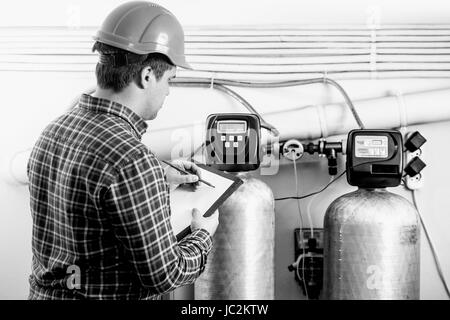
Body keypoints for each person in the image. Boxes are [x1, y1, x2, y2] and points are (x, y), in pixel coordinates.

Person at [27, 1, 219, 300]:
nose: (168, 91)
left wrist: (158, 175)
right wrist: (203, 235)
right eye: (169, 80)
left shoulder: (56, 128)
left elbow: (91, 200)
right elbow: (164, 275)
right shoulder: (131, 160)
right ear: (146, 75)